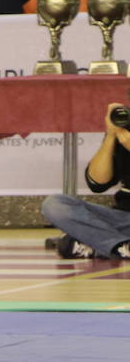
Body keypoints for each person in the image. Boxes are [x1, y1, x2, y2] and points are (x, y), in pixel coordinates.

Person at [42, 97, 130, 260]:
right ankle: (120, 247)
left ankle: (97, 245)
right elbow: (97, 183)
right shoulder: (125, 128)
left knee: (68, 243)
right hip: (122, 218)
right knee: (55, 204)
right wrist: (111, 135)